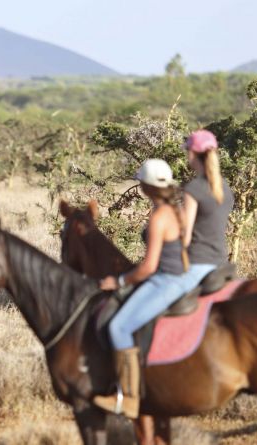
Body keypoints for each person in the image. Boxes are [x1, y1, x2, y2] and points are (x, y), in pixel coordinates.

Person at [93, 159, 189, 418]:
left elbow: (148, 267)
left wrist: (119, 282)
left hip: (165, 280)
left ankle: (129, 398)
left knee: (118, 327)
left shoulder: (159, 216)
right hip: (178, 277)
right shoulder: (176, 209)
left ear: (147, 187)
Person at [180, 129, 234, 286]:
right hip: (221, 263)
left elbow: (185, 238)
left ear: (192, 154)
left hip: (196, 263)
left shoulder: (194, 188)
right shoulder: (225, 188)